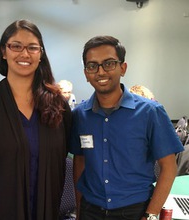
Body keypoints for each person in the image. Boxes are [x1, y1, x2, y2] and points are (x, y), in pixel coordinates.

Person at [0, 19, 72, 220]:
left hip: (45, 209)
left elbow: (63, 154)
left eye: (32, 48)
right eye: (16, 46)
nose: (24, 54)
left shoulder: (58, 106)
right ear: (4, 51)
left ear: (41, 54)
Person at [70, 35, 184, 220]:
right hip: (90, 210)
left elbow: (168, 167)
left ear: (123, 68)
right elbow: (80, 162)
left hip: (135, 211)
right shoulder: (80, 115)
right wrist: (79, 208)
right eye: (92, 66)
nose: (100, 72)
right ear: (85, 73)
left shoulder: (150, 112)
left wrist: (151, 214)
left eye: (109, 63)